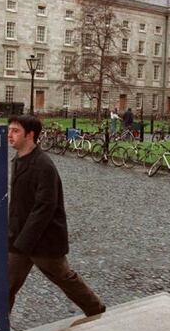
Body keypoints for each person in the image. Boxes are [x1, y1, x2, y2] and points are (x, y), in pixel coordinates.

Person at [7, 115, 106, 317]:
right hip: (19, 239)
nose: (9, 135)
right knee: (4, 286)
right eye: (9, 130)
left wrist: (22, 241)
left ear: (30, 135)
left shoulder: (44, 166)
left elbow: (45, 207)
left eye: (15, 131)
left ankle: (95, 309)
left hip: (44, 240)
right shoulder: (17, 160)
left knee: (65, 278)